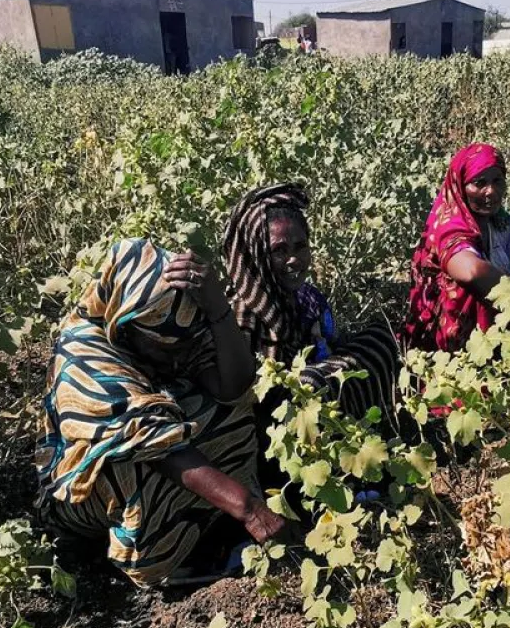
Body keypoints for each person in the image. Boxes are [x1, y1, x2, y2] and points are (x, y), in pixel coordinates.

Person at [33, 238, 288, 587]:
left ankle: (209, 521)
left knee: (227, 410)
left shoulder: (168, 326)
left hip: (161, 445)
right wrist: (250, 510)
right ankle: (168, 562)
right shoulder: (82, 350)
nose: (176, 355)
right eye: (164, 347)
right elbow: (155, 445)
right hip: (81, 496)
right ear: (124, 323)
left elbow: (235, 385)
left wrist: (217, 309)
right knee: (135, 464)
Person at [221, 183, 400, 421]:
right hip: (270, 420)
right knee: (313, 384)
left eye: (300, 246)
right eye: (279, 251)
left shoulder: (304, 296)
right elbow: (241, 393)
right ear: (257, 254)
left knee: (382, 336)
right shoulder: (241, 311)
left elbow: (329, 344)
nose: (294, 259)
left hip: (312, 382)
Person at [402, 144, 510, 354]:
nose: (491, 191)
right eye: (479, 183)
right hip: (447, 346)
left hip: (501, 323)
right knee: (478, 287)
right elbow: (471, 271)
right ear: (460, 185)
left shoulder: (498, 222)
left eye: (497, 181)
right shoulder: (449, 227)